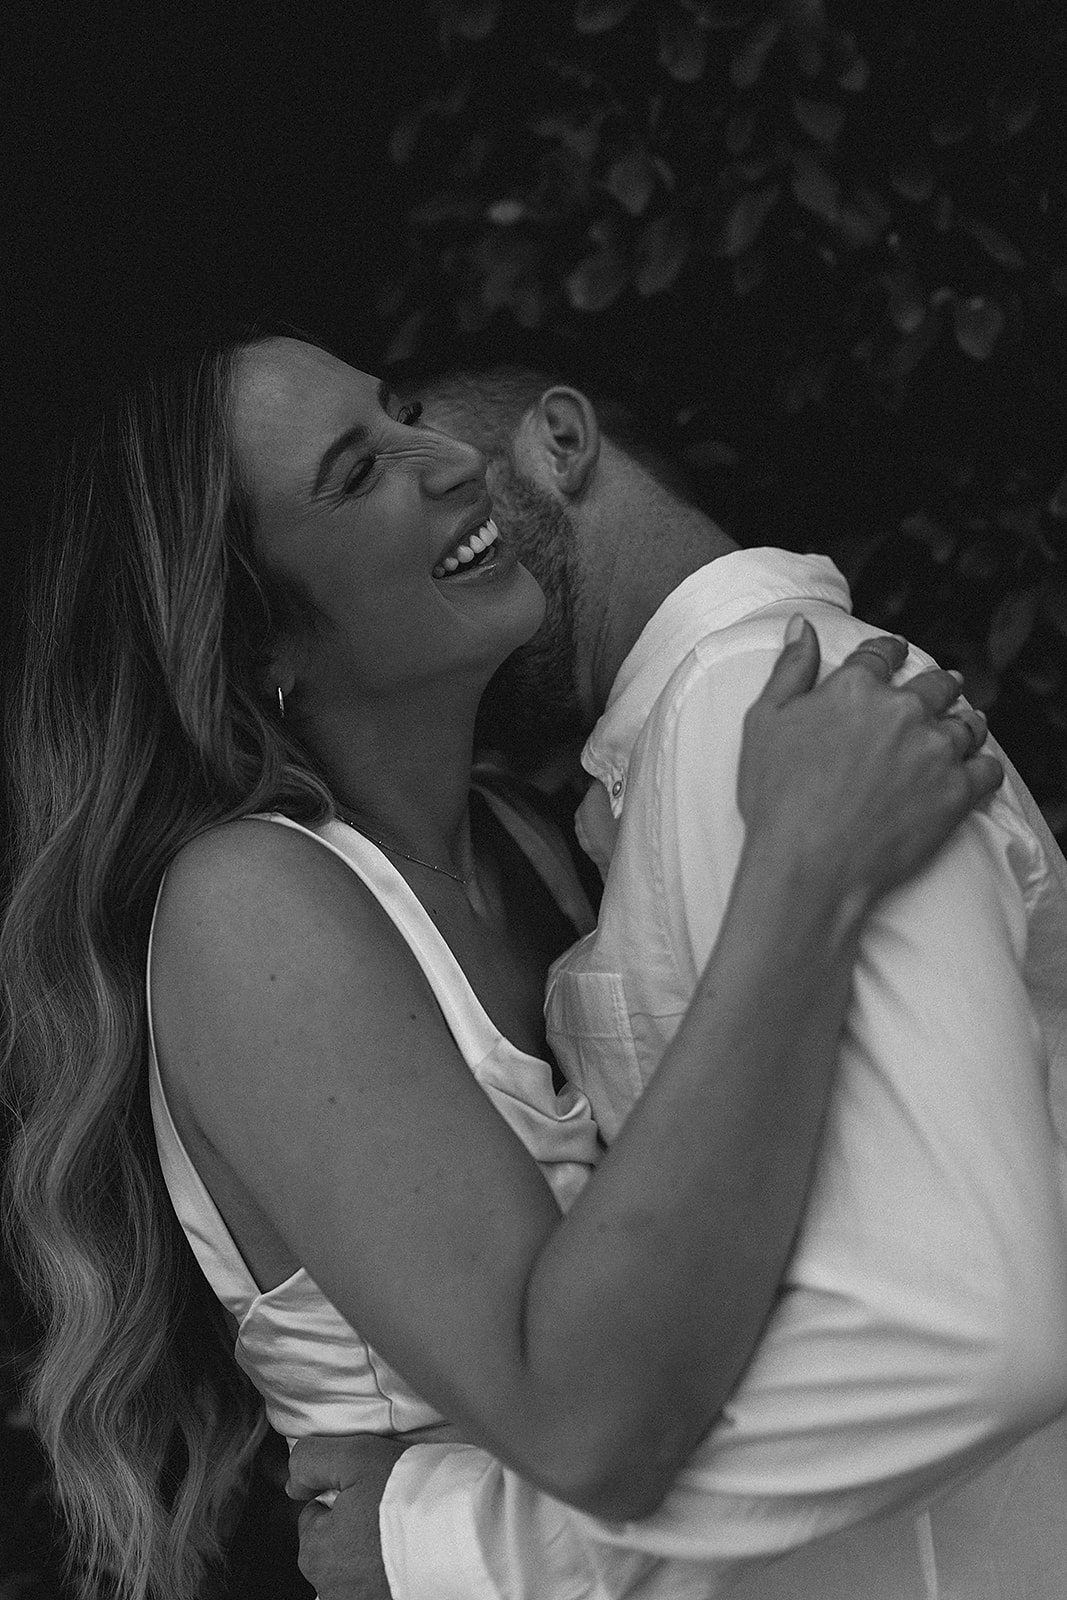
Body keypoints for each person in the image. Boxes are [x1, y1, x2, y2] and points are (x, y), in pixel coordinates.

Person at [0, 326, 1017, 1600]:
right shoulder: (249, 907)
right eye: (357, 471)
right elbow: (579, 1413)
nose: (449, 459)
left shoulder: (532, 849)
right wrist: (800, 873)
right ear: (257, 644)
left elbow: (704, 1277)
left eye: (400, 413)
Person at [289, 364, 1067, 1600]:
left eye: (423, 436)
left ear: (561, 437)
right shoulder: (684, 756)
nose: (429, 486)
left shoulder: (753, 716)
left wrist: (454, 1549)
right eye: (361, 471)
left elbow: (971, 1328)